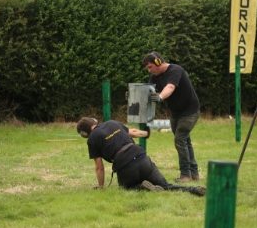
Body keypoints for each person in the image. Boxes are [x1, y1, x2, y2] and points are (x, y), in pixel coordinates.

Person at [76, 117, 205, 196]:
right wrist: (146, 133)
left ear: (84, 133)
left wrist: (101, 186)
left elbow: (99, 167)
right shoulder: (112, 123)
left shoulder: (92, 139)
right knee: (166, 186)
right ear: (94, 121)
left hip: (124, 166)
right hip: (141, 156)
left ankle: (142, 187)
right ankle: (193, 190)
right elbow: (132, 132)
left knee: (126, 188)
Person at [142, 51, 200, 182]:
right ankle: (194, 174)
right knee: (185, 141)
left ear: (158, 61)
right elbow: (149, 90)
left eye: (150, 67)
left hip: (190, 111)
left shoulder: (175, 70)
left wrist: (159, 97)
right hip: (176, 113)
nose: (149, 71)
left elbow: (170, 87)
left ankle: (185, 175)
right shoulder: (155, 76)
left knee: (180, 140)